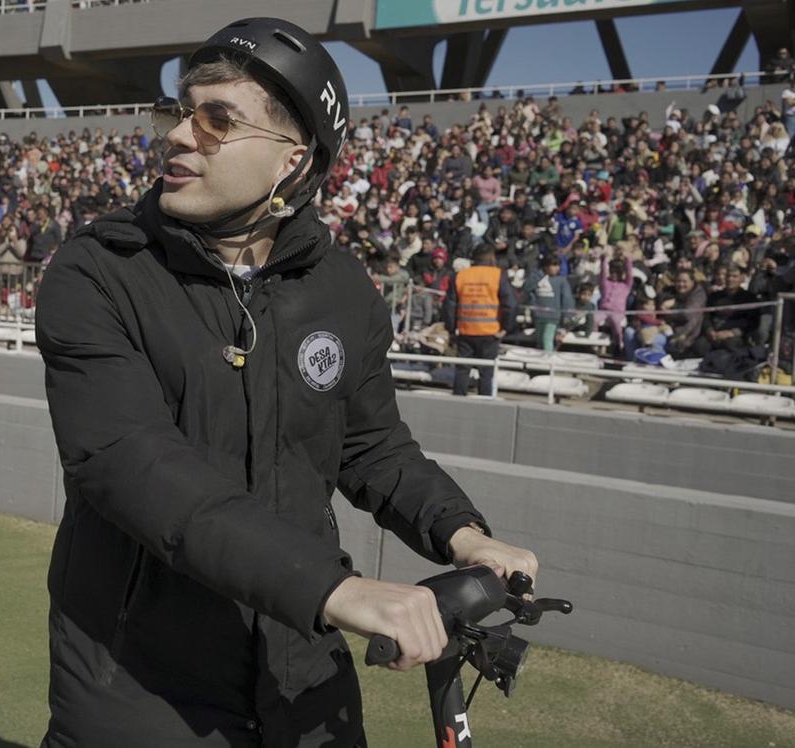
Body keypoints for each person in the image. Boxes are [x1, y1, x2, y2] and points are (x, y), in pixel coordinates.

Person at [35, 18, 537, 747]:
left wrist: (463, 534)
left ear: (292, 162)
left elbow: (372, 446)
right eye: (181, 112)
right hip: (138, 683)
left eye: (216, 120)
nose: (178, 136)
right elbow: (130, 464)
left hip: (299, 669)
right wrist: (334, 589)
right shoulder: (97, 272)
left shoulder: (341, 288)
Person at [443, 243, 516, 396]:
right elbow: (510, 304)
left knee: (462, 370)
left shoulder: (460, 276)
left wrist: (451, 329)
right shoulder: (498, 275)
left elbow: (449, 306)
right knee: (486, 373)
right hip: (490, 333)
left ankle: (458, 402)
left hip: (465, 331)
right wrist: (505, 329)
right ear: (492, 258)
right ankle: (485, 406)